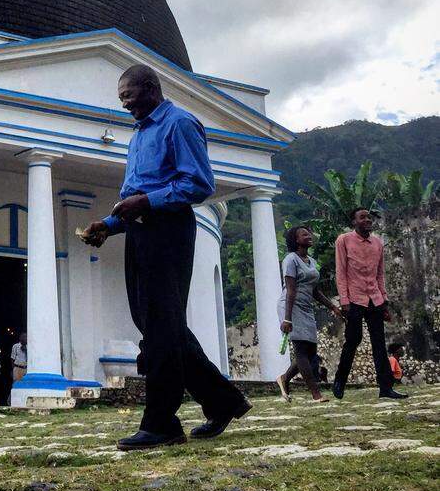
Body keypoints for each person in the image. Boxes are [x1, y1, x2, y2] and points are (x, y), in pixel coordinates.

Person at [82, 64, 251, 451]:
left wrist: (148, 202)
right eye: (122, 100)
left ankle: (162, 423)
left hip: (169, 229)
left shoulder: (180, 124)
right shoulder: (138, 135)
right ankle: (223, 400)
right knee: (156, 322)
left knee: (161, 325)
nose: (126, 105)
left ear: (150, 88)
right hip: (140, 231)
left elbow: (199, 183)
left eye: (129, 97)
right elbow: (133, 195)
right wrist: (109, 224)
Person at [332, 208, 407, 400]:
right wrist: (344, 300)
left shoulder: (378, 243)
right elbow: (341, 272)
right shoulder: (344, 240)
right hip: (354, 299)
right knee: (353, 340)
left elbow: (379, 275)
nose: (367, 220)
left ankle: (386, 388)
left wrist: (384, 301)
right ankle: (340, 381)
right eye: (362, 217)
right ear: (354, 222)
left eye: (368, 217)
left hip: (375, 299)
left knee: (379, 343)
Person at [275, 227, 341, 402]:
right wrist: (287, 318)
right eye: (304, 234)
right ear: (296, 240)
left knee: (311, 351)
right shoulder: (290, 260)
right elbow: (290, 290)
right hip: (291, 306)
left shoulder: (312, 261)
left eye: (309, 233)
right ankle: (315, 394)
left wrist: (333, 307)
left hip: (306, 307)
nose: (309, 236)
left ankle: (284, 379)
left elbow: (315, 291)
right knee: (300, 350)